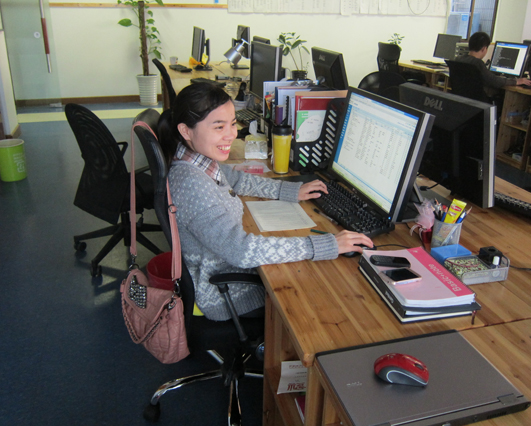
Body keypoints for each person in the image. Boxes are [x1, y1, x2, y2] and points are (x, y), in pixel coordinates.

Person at [158, 82, 373, 321]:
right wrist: (325, 245)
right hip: (222, 290)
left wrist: (290, 190)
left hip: (226, 264)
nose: (231, 134)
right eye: (219, 127)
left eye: (232, 123)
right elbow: (241, 250)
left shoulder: (195, 159)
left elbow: (236, 179)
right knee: (327, 291)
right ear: (186, 131)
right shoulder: (192, 184)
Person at [456, 32, 531, 99]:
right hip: (478, 103)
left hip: (462, 101)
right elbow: (494, 81)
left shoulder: (458, 59)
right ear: (484, 49)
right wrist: (516, 81)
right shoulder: (477, 63)